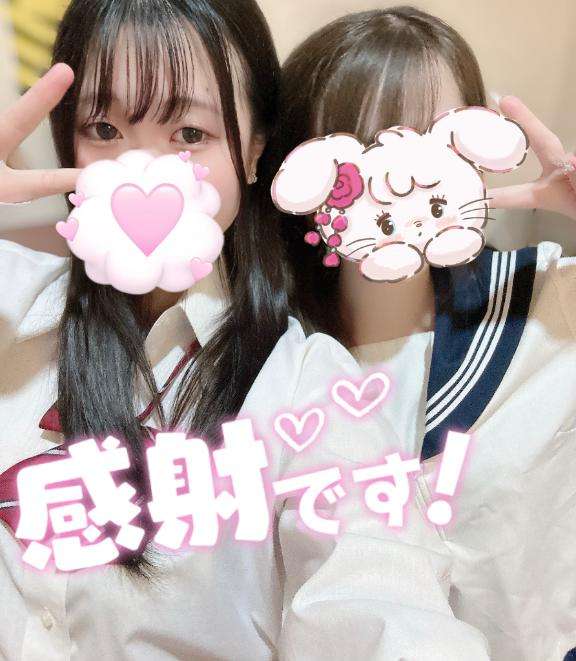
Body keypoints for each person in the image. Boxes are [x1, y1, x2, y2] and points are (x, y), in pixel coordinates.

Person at [0, 1, 496, 659]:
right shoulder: (12, 300)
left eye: (189, 133)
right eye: (104, 127)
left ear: (255, 150)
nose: (142, 169)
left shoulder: (304, 387)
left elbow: (382, 604)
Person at [266, 6, 576, 660]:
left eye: (435, 140)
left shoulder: (547, 302)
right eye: (365, 146)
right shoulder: (265, 361)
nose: (402, 179)